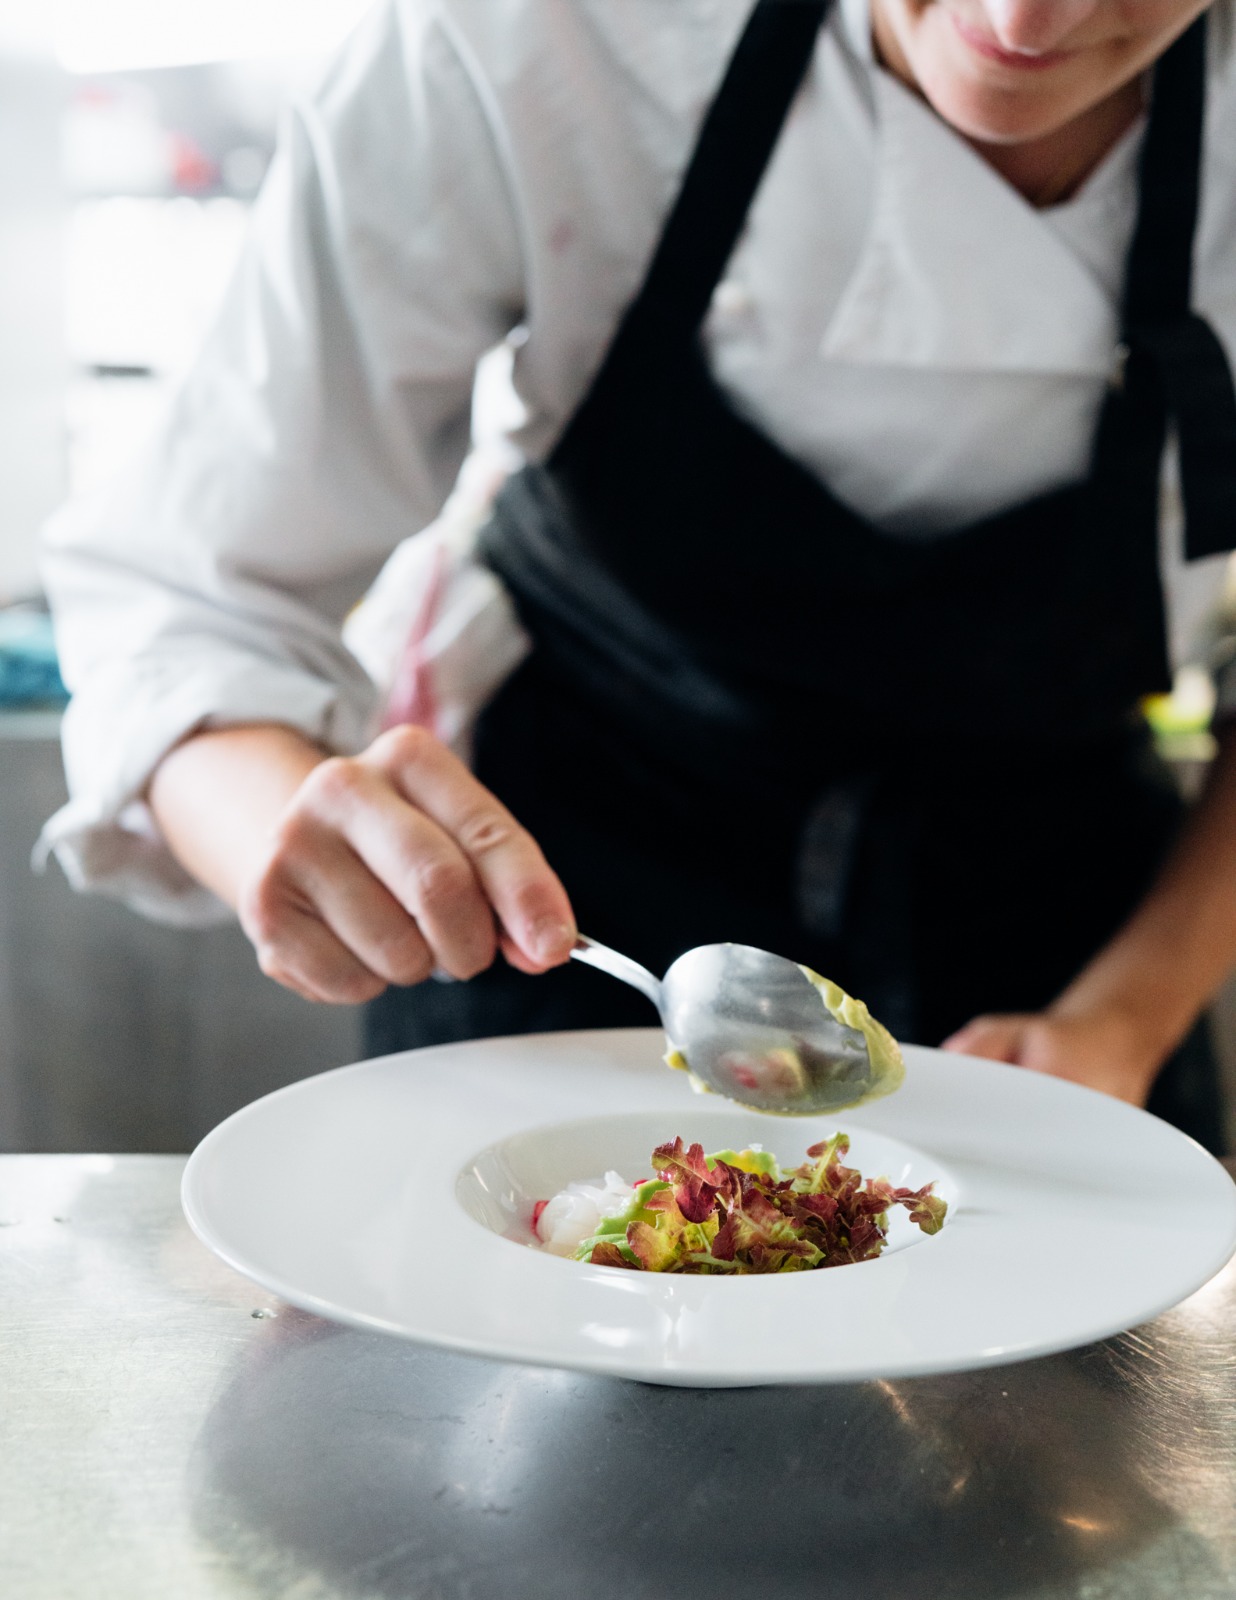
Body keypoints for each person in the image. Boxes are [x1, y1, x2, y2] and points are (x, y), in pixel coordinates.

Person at [41, 0, 1236, 1151]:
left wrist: (1123, 1016)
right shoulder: (540, 32)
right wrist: (279, 834)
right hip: (558, 901)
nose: (1024, 25)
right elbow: (191, 591)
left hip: (1076, 944)